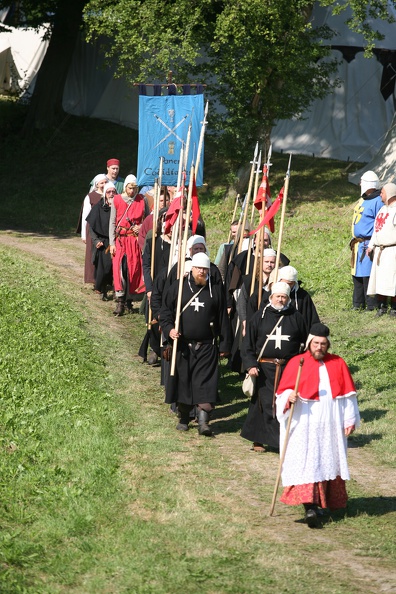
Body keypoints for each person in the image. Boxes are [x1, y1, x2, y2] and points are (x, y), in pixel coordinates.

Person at [276, 323, 360, 528]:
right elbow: (282, 394)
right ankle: (310, 508)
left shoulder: (338, 363)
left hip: (330, 422)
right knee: (307, 462)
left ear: (328, 344)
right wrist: (290, 397)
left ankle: (321, 503)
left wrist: (349, 419)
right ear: (309, 343)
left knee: (326, 461)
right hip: (305, 421)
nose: (319, 347)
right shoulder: (297, 362)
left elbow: (347, 396)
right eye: (316, 343)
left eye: (323, 344)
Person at [160, 252, 232, 436]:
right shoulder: (178, 287)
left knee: (205, 383)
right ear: (192, 268)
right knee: (184, 382)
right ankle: (184, 417)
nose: (202, 271)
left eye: (205, 269)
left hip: (207, 346)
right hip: (183, 346)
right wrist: (169, 330)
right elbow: (166, 313)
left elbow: (223, 318)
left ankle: (203, 422)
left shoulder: (215, 289)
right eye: (199, 268)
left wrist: (225, 344)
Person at [241, 282, 308, 452]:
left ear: (287, 298)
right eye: (277, 296)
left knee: (286, 401)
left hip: (288, 369)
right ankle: (258, 439)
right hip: (264, 369)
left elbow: (305, 342)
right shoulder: (259, 317)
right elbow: (247, 343)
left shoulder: (296, 317)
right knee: (263, 403)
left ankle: (285, 440)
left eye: (283, 296)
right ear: (271, 297)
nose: (280, 299)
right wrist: (250, 365)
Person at [109, 174, 146, 316]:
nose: (132, 191)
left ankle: (129, 300)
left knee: (133, 269)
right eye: (130, 188)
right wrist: (112, 242)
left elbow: (147, 220)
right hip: (120, 240)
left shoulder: (141, 200)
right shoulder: (117, 200)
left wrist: (141, 226)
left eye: (135, 188)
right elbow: (112, 222)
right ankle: (120, 301)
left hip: (134, 240)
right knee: (119, 269)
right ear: (125, 187)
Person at [350, 170, 382, 311]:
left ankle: (371, 305)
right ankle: (357, 304)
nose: (360, 184)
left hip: (368, 244)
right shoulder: (363, 199)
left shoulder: (378, 201)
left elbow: (379, 223)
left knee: (368, 276)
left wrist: (374, 243)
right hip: (358, 244)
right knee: (357, 275)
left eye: (362, 182)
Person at [367, 182, 396, 316]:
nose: (380, 195)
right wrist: (371, 245)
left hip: (392, 251)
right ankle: (382, 306)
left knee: (392, 280)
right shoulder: (382, 209)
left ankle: (394, 308)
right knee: (379, 279)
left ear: (389, 194)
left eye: (382, 192)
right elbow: (376, 230)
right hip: (380, 251)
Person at [86, 182, 115, 299]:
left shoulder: (118, 206)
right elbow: (92, 226)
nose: (111, 194)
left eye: (113, 192)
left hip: (114, 240)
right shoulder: (98, 207)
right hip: (102, 242)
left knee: (112, 266)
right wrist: (96, 240)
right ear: (105, 193)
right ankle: (101, 288)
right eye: (109, 192)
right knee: (103, 266)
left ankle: (111, 288)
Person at [76, 173, 107, 285]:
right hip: (92, 229)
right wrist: (84, 234)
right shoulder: (90, 197)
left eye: (105, 182)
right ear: (96, 184)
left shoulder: (110, 194)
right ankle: (92, 278)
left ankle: (104, 279)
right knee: (92, 253)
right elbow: (85, 217)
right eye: (101, 183)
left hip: (105, 229)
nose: (104, 185)